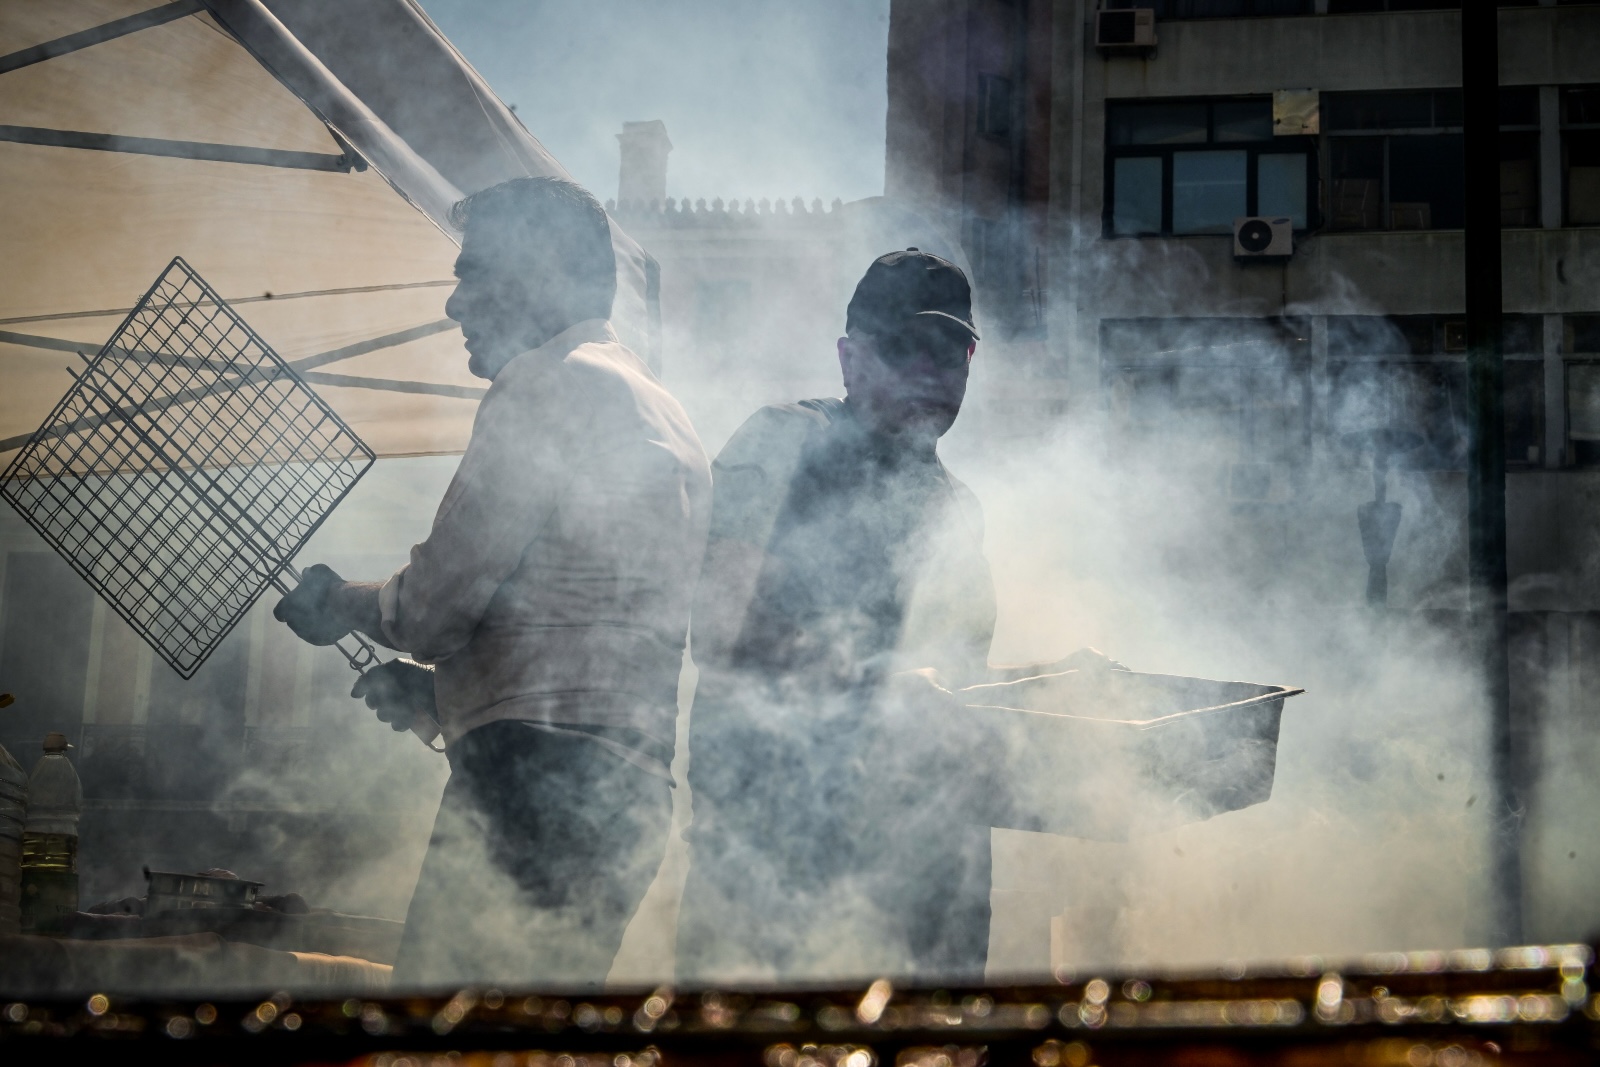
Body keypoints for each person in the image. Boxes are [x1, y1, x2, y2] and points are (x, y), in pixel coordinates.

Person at [273, 177, 711, 989]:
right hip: (630, 797)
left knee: (443, 1043)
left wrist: (341, 604)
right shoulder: (664, 410)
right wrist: (445, 701)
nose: (454, 305)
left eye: (472, 274)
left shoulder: (545, 383)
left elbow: (435, 609)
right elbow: (580, 638)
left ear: (534, 276)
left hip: (531, 787)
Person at [676, 249, 1112, 984]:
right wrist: (886, 679)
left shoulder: (955, 507)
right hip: (779, 863)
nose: (931, 370)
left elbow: (948, 684)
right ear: (850, 358)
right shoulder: (784, 441)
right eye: (904, 346)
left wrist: (1044, 688)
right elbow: (721, 625)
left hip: (930, 877)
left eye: (953, 351)